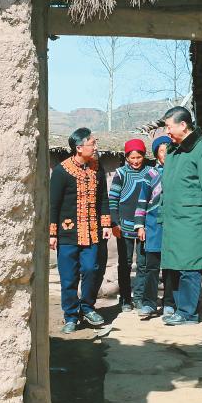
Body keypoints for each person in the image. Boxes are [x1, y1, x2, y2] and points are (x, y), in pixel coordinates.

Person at [160, 106, 202, 326]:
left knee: (189, 267)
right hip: (173, 220)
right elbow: (167, 187)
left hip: (192, 220)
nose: (166, 131)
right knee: (175, 267)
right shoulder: (173, 150)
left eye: (169, 127)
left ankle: (188, 313)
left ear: (183, 125)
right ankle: (181, 310)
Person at [49, 128, 113, 334]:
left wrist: (105, 224)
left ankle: (87, 307)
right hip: (67, 234)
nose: (95, 147)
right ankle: (70, 315)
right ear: (79, 148)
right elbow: (53, 204)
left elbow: (103, 198)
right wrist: (52, 233)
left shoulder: (97, 168)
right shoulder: (61, 171)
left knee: (91, 269)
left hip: (93, 232)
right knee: (69, 277)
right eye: (92, 143)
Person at [109, 139, 150, 312]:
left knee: (143, 263)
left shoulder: (150, 172)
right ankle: (125, 298)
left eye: (138, 157)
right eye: (132, 158)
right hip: (124, 226)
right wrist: (115, 223)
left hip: (144, 226)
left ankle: (139, 297)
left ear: (144, 156)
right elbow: (113, 199)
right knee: (125, 263)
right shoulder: (121, 173)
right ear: (126, 157)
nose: (135, 161)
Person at [134, 134, 172, 319]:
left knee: (172, 266)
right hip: (153, 226)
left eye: (168, 150)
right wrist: (140, 226)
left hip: (173, 226)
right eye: (162, 151)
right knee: (152, 267)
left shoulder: (177, 173)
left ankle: (169, 303)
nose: (165, 154)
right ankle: (149, 303)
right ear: (157, 154)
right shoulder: (150, 174)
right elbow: (142, 201)